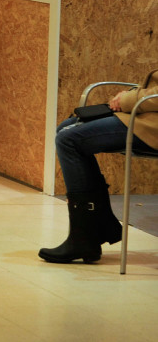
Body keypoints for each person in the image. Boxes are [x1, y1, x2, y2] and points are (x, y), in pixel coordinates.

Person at [39, 74, 158, 264]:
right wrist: (131, 93)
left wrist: (128, 99)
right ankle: (96, 228)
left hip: (151, 121)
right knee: (66, 128)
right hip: (146, 114)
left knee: (68, 139)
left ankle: (87, 235)